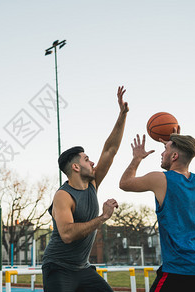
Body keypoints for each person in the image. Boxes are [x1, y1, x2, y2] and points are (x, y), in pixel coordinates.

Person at [42, 86, 128, 292]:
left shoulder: (92, 183)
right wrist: (102, 218)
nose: (93, 163)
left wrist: (122, 115)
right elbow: (67, 234)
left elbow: (111, 149)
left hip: (83, 268)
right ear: (76, 167)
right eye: (87, 160)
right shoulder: (63, 196)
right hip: (58, 267)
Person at [119, 133, 195, 292]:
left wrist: (137, 158)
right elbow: (186, 151)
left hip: (181, 269)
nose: (162, 153)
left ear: (174, 156)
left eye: (165, 149)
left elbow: (124, 183)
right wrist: (176, 138)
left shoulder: (161, 179)